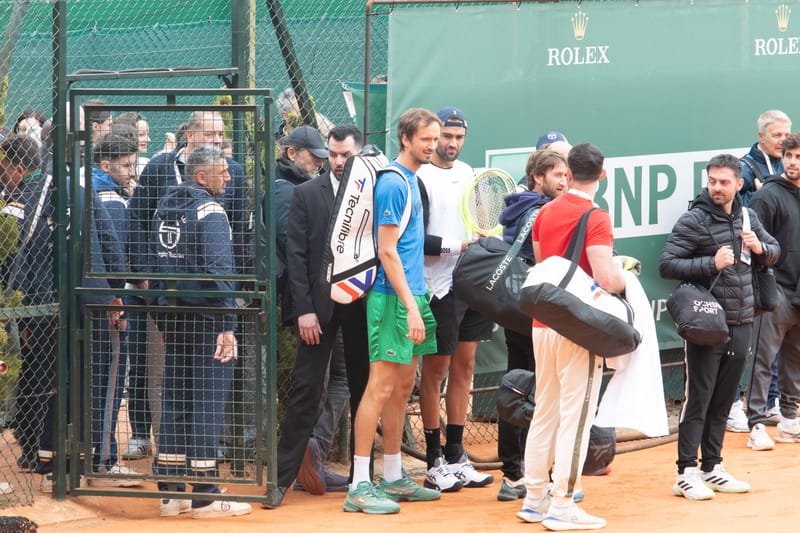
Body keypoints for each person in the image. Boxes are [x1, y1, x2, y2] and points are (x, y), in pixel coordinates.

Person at [126, 110, 249, 460]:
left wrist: (236, 289)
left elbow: (239, 234)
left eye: (221, 134)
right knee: (178, 382)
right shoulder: (162, 172)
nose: (218, 141)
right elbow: (138, 224)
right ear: (191, 137)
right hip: (175, 299)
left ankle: (175, 476)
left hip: (196, 299)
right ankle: (201, 484)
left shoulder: (231, 175)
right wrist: (149, 281)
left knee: (181, 386)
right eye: (211, 134)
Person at [660, 154, 778, 501]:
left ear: (739, 184)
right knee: (698, 398)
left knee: (724, 400)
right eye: (712, 180)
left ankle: (712, 467)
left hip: (743, 320)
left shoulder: (748, 216)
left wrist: (760, 248)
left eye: (724, 182)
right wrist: (709, 263)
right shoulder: (694, 219)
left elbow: (775, 250)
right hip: (706, 322)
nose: (716, 187)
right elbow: (668, 264)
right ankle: (686, 472)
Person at [517, 143, 623, 530]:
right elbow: (607, 278)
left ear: (568, 170)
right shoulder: (597, 216)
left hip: (544, 325)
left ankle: (534, 499)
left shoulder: (544, 211)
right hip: (578, 328)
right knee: (575, 418)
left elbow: (546, 265)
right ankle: (561, 504)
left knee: (545, 410)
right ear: (603, 173)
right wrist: (626, 274)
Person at [343, 108, 442, 514]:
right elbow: (386, 251)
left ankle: (394, 474)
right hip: (391, 299)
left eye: (435, 140)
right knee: (379, 387)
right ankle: (359, 484)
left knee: (403, 387)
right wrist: (409, 306)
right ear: (405, 138)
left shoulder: (413, 180)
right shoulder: (394, 184)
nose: (433, 146)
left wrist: (417, 301)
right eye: (426, 140)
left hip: (412, 295)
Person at [265, 125, 369, 507]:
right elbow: (296, 257)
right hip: (318, 309)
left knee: (364, 389)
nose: (338, 161)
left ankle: (365, 478)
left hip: (360, 307)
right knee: (307, 392)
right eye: (333, 154)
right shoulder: (305, 194)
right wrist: (305, 310)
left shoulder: (370, 193)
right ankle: (279, 480)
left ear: (358, 153)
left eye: (345, 155)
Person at [151, 144, 252, 519]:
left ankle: (171, 491)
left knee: (176, 397)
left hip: (174, 316)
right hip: (208, 319)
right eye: (222, 172)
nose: (228, 177)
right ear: (201, 176)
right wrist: (228, 325)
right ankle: (206, 494)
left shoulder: (165, 206)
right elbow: (219, 271)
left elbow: (155, 264)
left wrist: (161, 316)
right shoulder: (210, 211)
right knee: (207, 401)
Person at [416, 106, 493, 492]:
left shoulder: (469, 174)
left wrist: (477, 243)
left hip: (469, 283)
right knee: (436, 370)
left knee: (466, 365)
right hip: (436, 286)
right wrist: (458, 245)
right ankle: (433, 460)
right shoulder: (421, 177)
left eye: (458, 138)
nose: (451, 144)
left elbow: (479, 219)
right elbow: (415, 241)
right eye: (445, 136)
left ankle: (456, 452)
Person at [495, 149, 568, 501]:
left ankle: (516, 473)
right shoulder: (540, 211)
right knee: (540, 389)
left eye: (567, 176)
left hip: (519, 309)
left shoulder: (520, 206)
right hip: (534, 311)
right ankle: (526, 474)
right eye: (557, 176)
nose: (564, 182)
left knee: (517, 386)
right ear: (538, 177)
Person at [0, 135, 56, 471]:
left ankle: (32, 447)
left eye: (4, 167)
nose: (2, 174)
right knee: (39, 377)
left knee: (32, 378)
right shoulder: (49, 189)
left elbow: (8, 260)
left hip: (27, 305)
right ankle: (33, 447)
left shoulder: (20, 200)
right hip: (42, 300)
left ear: (19, 168)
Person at [745, 132, 800, 450]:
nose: (792, 162)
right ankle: (755, 423)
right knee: (762, 359)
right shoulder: (768, 195)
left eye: (798, 156)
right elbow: (754, 244)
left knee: (795, 360)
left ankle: (790, 420)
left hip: (799, 294)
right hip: (774, 289)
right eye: (789, 155)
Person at [271, 124, 329, 323]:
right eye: (313, 156)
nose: (320, 163)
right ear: (292, 153)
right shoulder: (285, 191)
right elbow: (293, 244)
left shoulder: (301, 186)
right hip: (299, 292)